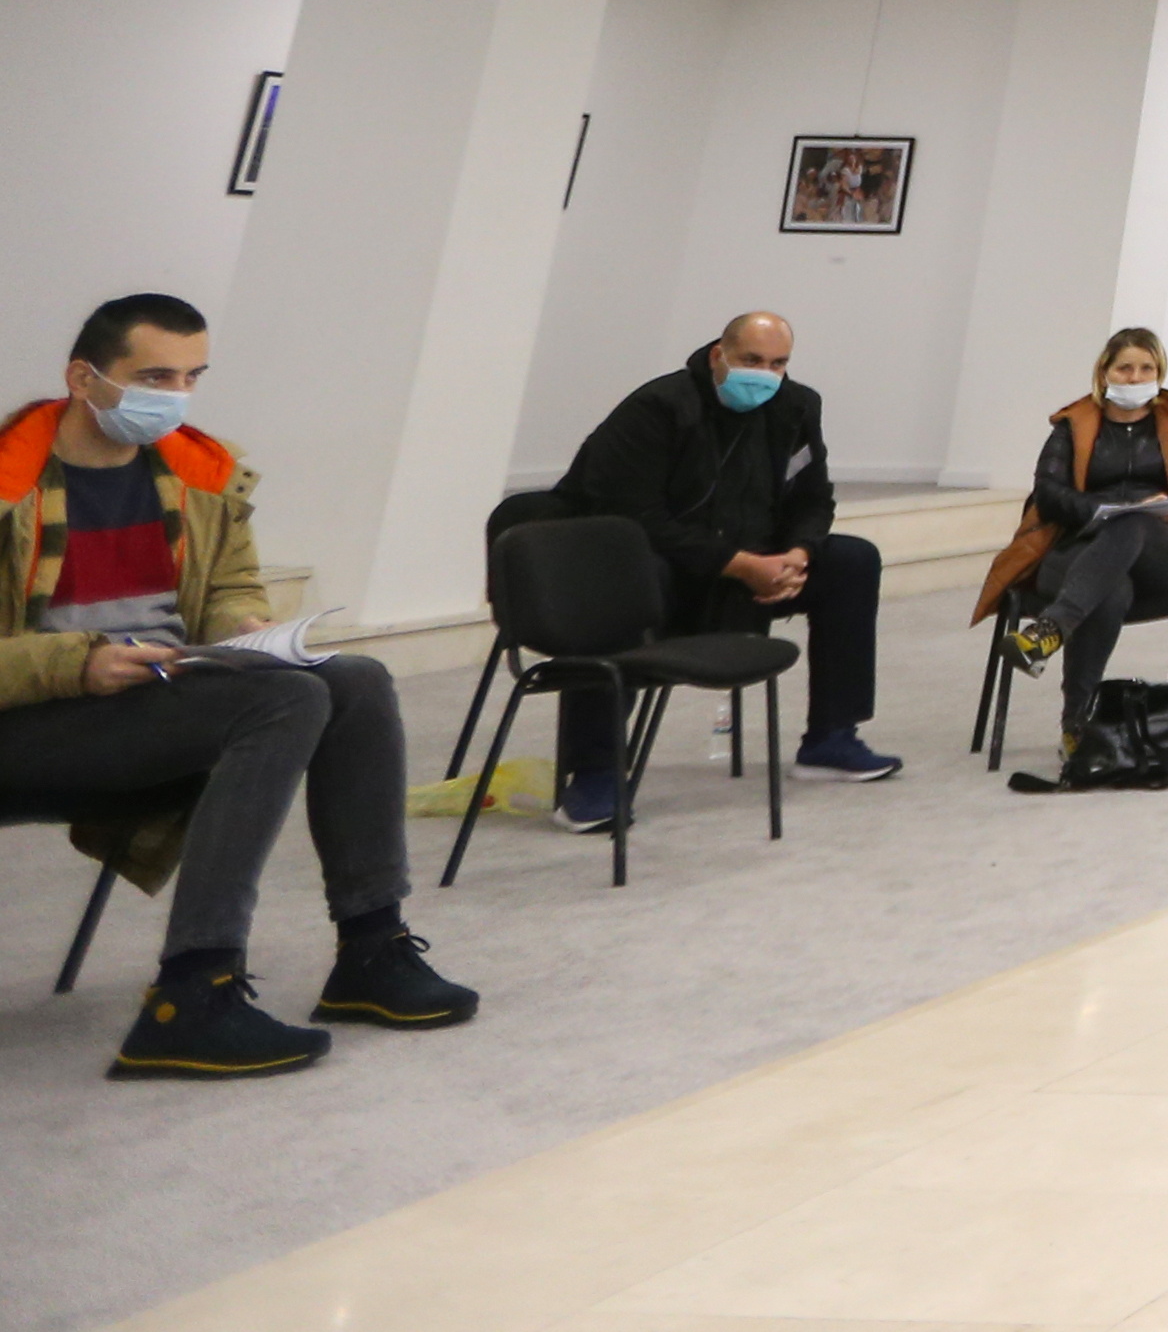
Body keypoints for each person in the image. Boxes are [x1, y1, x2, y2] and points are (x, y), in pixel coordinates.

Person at [0, 294, 479, 1078]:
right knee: (287, 698)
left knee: (353, 678)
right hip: (35, 716)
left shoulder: (200, 472)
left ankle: (371, 948)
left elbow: (227, 584)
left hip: (156, 695)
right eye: (154, 374)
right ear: (82, 377)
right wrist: (76, 661)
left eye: (192, 375)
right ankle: (191, 992)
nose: (176, 394)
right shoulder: (9, 480)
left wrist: (242, 626)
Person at [548, 311, 899, 815]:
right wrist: (736, 564)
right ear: (719, 355)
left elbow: (813, 498)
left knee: (850, 560)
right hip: (658, 560)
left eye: (778, 363)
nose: (764, 374)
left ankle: (831, 738)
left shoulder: (797, 407)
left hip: (748, 561)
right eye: (751, 360)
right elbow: (630, 518)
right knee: (620, 578)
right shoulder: (657, 408)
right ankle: (595, 771)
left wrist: (798, 554)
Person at [970, 327, 1168, 777]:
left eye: (1146, 368)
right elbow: (1048, 494)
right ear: (1104, 371)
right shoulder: (1074, 424)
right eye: (1125, 368)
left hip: (1162, 555)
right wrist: (1102, 510)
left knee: (1133, 525)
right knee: (1109, 588)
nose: (1135, 377)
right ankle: (1077, 724)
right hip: (1079, 549)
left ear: (1159, 372)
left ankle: (1051, 630)